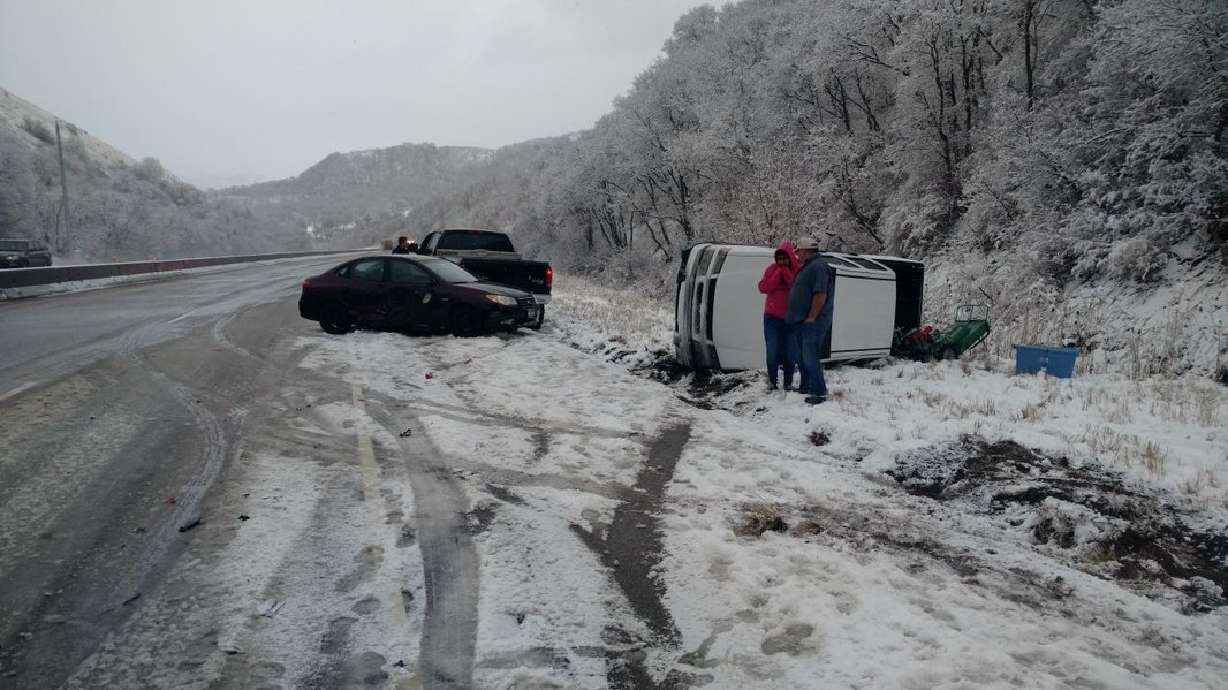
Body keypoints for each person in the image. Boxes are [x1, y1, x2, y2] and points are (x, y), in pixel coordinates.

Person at [785, 237, 835, 405]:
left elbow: (820, 294)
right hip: (802, 320)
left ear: (805, 251)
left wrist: (812, 317)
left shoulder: (818, 266)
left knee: (810, 356)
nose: (796, 254)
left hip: (813, 321)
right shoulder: (808, 266)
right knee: (802, 356)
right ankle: (806, 386)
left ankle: (819, 392)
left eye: (798, 251)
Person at [757, 241, 799, 390]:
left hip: (791, 320)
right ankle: (772, 382)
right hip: (772, 319)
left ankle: (788, 384)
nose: (781, 262)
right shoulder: (771, 269)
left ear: (790, 257)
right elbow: (763, 287)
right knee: (772, 352)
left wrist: (785, 273)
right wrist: (777, 274)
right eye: (779, 258)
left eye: (784, 258)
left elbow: (797, 288)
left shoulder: (798, 270)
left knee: (790, 354)